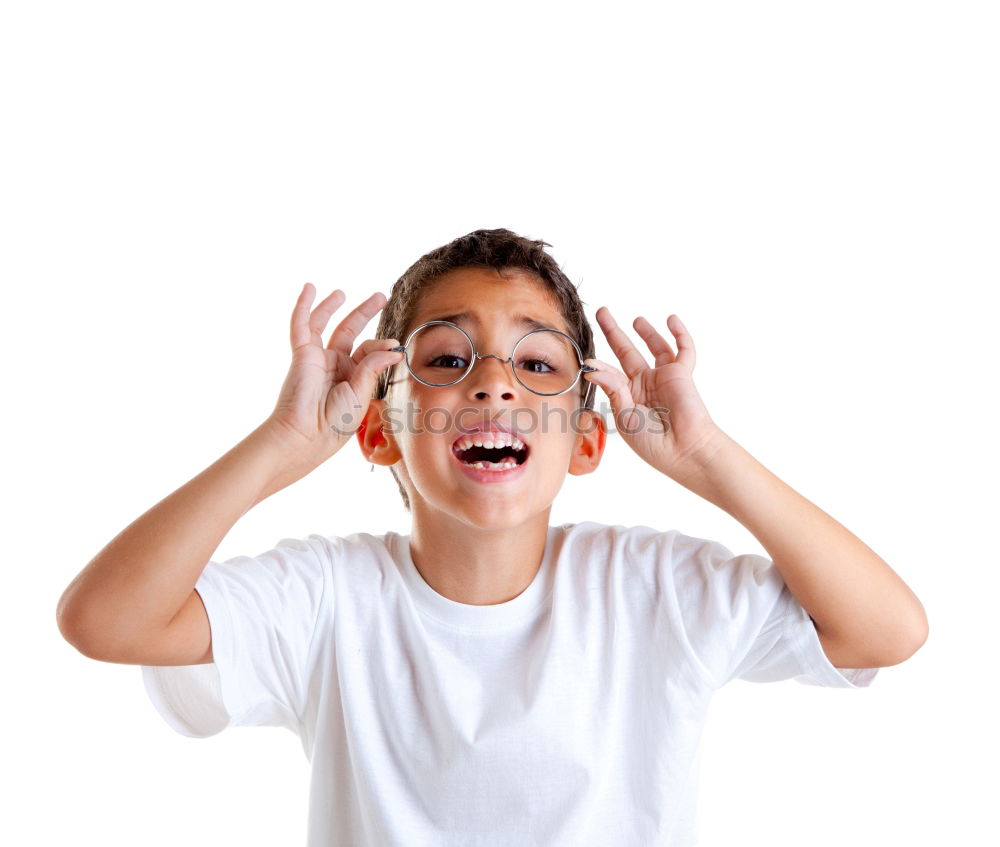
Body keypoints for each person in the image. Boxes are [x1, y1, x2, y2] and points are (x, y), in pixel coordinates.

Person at [56, 228, 928, 846]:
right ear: (377, 428)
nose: (496, 387)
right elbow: (104, 618)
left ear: (587, 439)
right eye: (446, 359)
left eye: (538, 364)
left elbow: (888, 629)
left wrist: (706, 453)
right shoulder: (326, 598)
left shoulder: (648, 587)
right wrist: (282, 445)